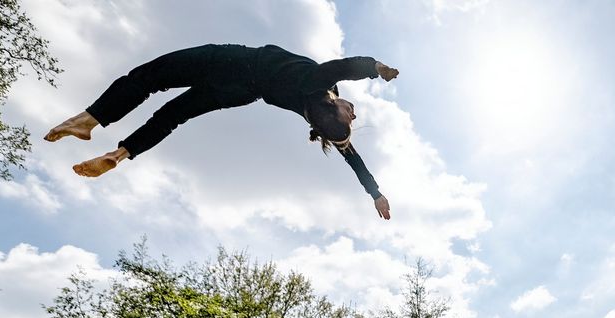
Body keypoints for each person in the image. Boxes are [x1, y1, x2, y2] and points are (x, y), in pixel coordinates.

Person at [44, 44, 399, 219]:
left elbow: (344, 66)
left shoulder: (315, 83)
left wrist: (375, 68)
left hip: (233, 63)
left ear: (333, 108)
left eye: (351, 115)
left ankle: (90, 119)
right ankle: (122, 153)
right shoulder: (312, 111)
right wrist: (375, 194)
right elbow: (352, 158)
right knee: (173, 115)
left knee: (150, 77)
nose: (354, 113)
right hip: (240, 94)